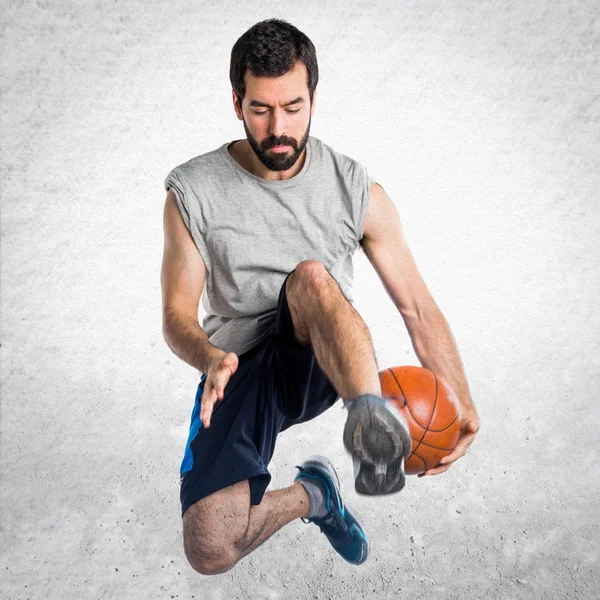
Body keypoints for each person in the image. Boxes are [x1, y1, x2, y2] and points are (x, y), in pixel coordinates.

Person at [161, 18, 480, 574]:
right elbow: (175, 315)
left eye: (293, 107)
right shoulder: (193, 191)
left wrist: (461, 399)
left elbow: (418, 306)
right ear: (237, 102)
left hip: (321, 357)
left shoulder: (354, 188)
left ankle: (369, 427)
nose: (277, 127)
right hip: (236, 367)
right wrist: (208, 356)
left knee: (310, 277)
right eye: (261, 109)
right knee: (209, 549)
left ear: (313, 99)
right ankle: (315, 495)